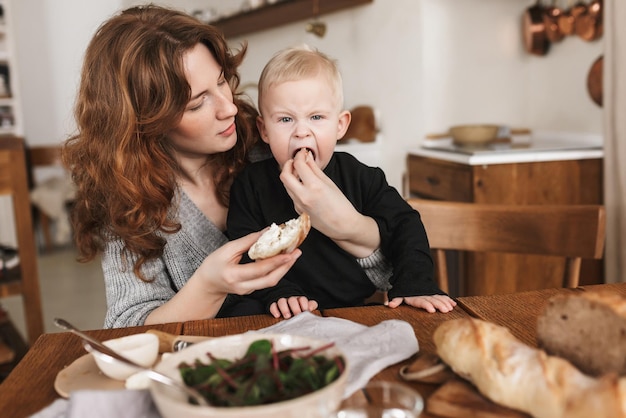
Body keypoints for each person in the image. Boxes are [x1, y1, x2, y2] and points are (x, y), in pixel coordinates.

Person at [61, 5, 309, 328]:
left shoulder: (267, 145)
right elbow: (125, 327)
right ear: (146, 122)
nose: (229, 108)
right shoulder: (129, 197)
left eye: (221, 82)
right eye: (197, 103)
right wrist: (209, 287)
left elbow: (376, 262)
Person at [227, 45, 457, 319]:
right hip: (282, 314)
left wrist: (415, 283)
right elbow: (244, 252)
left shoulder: (360, 176)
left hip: (354, 310)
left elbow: (405, 224)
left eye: (316, 117)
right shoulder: (250, 185)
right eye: (286, 119)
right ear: (264, 130)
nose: (302, 132)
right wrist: (277, 292)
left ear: (340, 125)